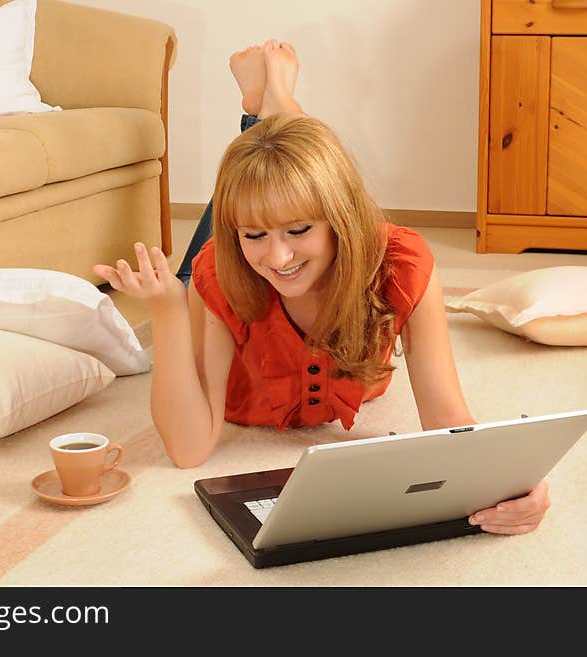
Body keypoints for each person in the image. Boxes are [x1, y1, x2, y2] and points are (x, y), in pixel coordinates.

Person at [94, 40, 551, 536]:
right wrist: (167, 311)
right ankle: (273, 114)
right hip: (224, 303)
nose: (279, 257)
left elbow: (448, 419)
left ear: (338, 222)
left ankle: (275, 110)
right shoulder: (219, 271)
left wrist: (512, 484)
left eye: (298, 231)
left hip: (353, 244)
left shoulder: (401, 264)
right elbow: (189, 450)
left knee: (314, 191)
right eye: (254, 236)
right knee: (255, 210)